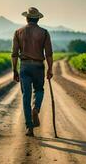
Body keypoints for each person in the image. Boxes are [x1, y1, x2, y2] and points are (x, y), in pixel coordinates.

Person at [11, 7, 53, 137]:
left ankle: (29, 127)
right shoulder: (44, 33)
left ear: (27, 18)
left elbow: (14, 54)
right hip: (38, 66)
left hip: (24, 66)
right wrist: (50, 68)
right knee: (39, 90)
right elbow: (49, 53)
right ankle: (36, 108)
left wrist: (14, 70)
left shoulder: (18, 32)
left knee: (26, 96)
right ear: (38, 19)